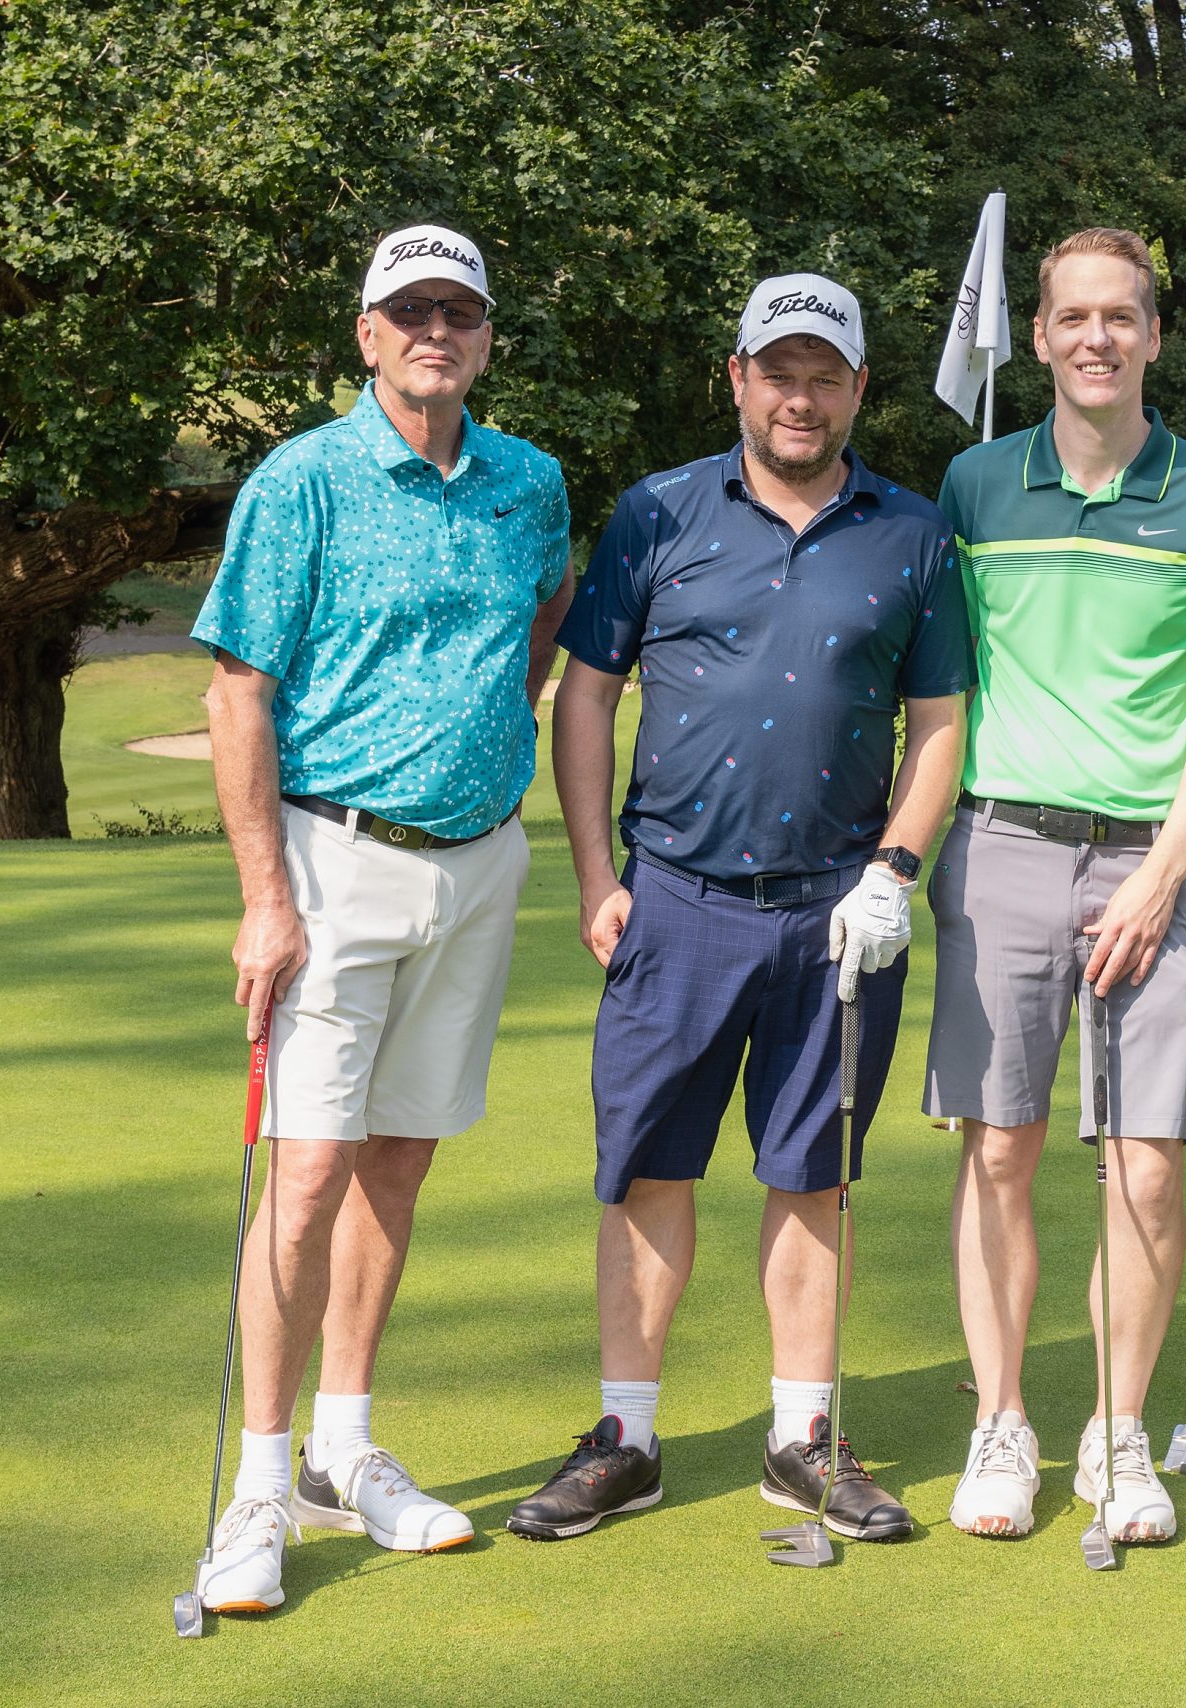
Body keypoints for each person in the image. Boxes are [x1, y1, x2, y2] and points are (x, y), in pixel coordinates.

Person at [506, 273, 968, 1543]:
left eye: (824, 376)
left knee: (812, 1176)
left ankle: (799, 1438)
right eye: (778, 373)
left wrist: (896, 871)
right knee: (650, 1166)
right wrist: (596, 876)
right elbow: (588, 694)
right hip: (676, 898)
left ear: (858, 388)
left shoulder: (913, 531)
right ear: (737, 379)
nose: (798, 398)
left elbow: (939, 720)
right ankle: (628, 1439)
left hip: (838, 910)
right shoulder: (657, 511)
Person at [186, 224, 571, 1614]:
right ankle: (258, 1487)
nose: (434, 333)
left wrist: (485, 740)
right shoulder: (304, 480)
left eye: (458, 312)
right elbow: (238, 690)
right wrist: (264, 898)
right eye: (409, 312)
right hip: (330, 859)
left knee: (398, 1164)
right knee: (306, 1178)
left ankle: (344, 1449)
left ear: (486, 336)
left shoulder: (529, 481)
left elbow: (542, 619)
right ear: (366, 334)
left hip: (478, 863)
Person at [924, 228, 1186, 1545]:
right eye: (1072, 316)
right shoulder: (973, 484)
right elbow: (940, 686)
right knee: (998, 1149)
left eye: (1120, 316)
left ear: (1154, 335)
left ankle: (1117, 1433)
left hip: (1151, 857)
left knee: (1147, 1164)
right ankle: (1001, 1422)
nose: (1096, 338)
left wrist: (1166, 873)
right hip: (1001, 845)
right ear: (1037, 334)